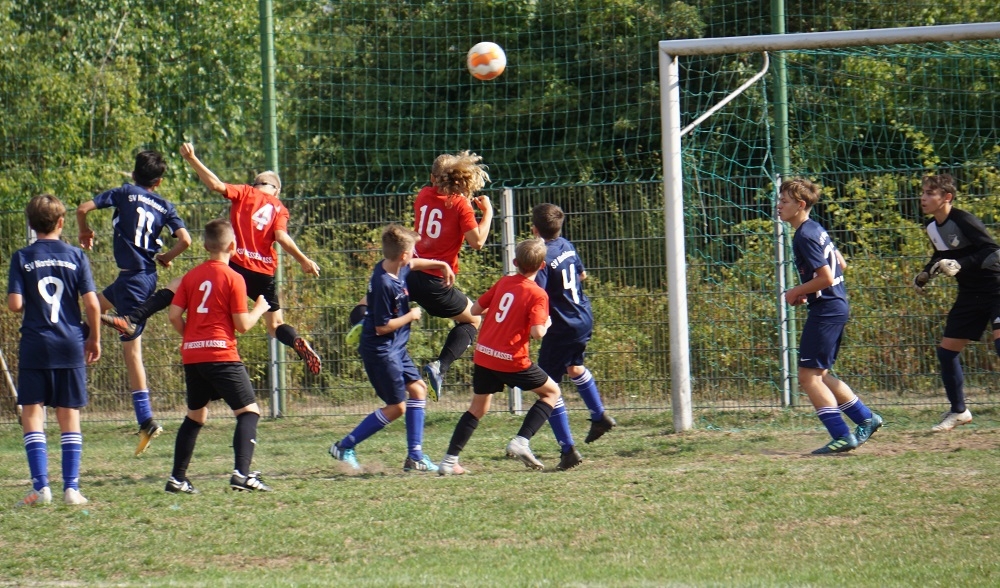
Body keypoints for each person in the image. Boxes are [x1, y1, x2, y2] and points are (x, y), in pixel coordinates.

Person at [111, 143, 323, 375]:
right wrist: (303, 260)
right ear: (277, 191)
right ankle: (295, 340)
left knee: (180, 284)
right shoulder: (280, 208)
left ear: (256, 184)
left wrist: (192, 159)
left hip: (234, 265)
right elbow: (281, 236)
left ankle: (134, 317)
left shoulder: (246, 192)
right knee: (275, 325)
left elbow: (215, 185)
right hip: (263, 274)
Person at [348, 151, 493, 399]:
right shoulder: (460, 205)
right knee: (473, 320)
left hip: (408, 271)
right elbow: (477, 241)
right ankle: (440, 367)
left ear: (433, 177)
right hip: (435, 282)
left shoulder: (424, 194)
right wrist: (487, 211)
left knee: (365, 305)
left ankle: (364, 325)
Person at [77, 150, 192, 456]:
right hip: (136, 278)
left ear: (133, 174)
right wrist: (166, 256)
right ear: (159, 182)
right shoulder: (165, 205)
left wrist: (84, 230)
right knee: (93, 307)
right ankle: (76, 348)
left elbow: (83, 208)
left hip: (134, 280)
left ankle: (146, 420)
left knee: (132, 353)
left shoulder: (123, 193)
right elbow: (186, 239)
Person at [328, 224, 455, 472]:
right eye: (412, 250)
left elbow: (414, 265)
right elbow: (381, 327)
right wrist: (411, 316)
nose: (414, 255)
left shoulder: (396, 267)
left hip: (396, 348)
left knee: (419, 389)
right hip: (382, 352)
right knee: (397, 407)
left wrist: (441, 265)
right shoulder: (383, 283)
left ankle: (415, 457)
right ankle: (344, 446)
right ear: (403, 254)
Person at [437, 237, 562, 475]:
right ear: (542, 266)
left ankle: (449, 461)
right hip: (511, 359)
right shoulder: (538, 294)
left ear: (515, 262)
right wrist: (546, 323)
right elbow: (537, 333)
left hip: (484, 354)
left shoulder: (504, 282)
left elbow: (475, 310)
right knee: (551, 392)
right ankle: (521, 441)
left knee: (477, 408)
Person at [165, 219, 273, 494]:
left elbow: (174, 315)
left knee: (195, 416)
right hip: (221, 354)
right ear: (233, 246)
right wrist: (260, 308)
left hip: (193, 355)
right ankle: (241, 475)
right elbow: (242, 325)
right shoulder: (234, 278)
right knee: (249, 412)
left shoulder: (191, 276)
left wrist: (192, 337)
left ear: (204, 246)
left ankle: (177, 479)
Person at [777, 178, 882, 454]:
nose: (779, 206)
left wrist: (796, 291)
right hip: (835, 305)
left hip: (826, 310)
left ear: (800, 205)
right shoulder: (815, 228)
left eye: (784, 201)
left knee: (808, 377)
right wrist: (809, 291)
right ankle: (866, 418)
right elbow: (841, 264)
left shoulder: (804, 235)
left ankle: (842, 435)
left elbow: (826, 276)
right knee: (819, 374)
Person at [9, 194, 101, 506]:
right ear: (62, 223)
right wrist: (94, 339)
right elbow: (91, 304)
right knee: (69, 413)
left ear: (31, 225)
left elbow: (15, 304)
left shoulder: (22, 257)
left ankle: (40, 488)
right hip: (70, 343)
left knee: (33, 412)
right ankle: (71, 488)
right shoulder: (76, 256)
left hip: (36, 344)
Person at [912, 172, 1000, 432]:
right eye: (923, 192)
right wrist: (925, 273)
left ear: (947, 197)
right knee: (947, 352)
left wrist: (961, 263)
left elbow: (993, 251)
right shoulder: (931, 227)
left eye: (930, 193)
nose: (923, 197)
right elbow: (941, 255)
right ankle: (959, 411)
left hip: (996, 289)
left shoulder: (963, 219)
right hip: (970, 294)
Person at [531, 203, 616, 471]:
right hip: (582, 317)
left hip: (562, 325)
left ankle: (568, 450)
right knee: (574, 367)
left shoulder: (542, 257)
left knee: (547, 387)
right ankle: (599, 416)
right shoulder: (567, 245)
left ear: (534, 229)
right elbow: (582, 275)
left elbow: (537, 294)